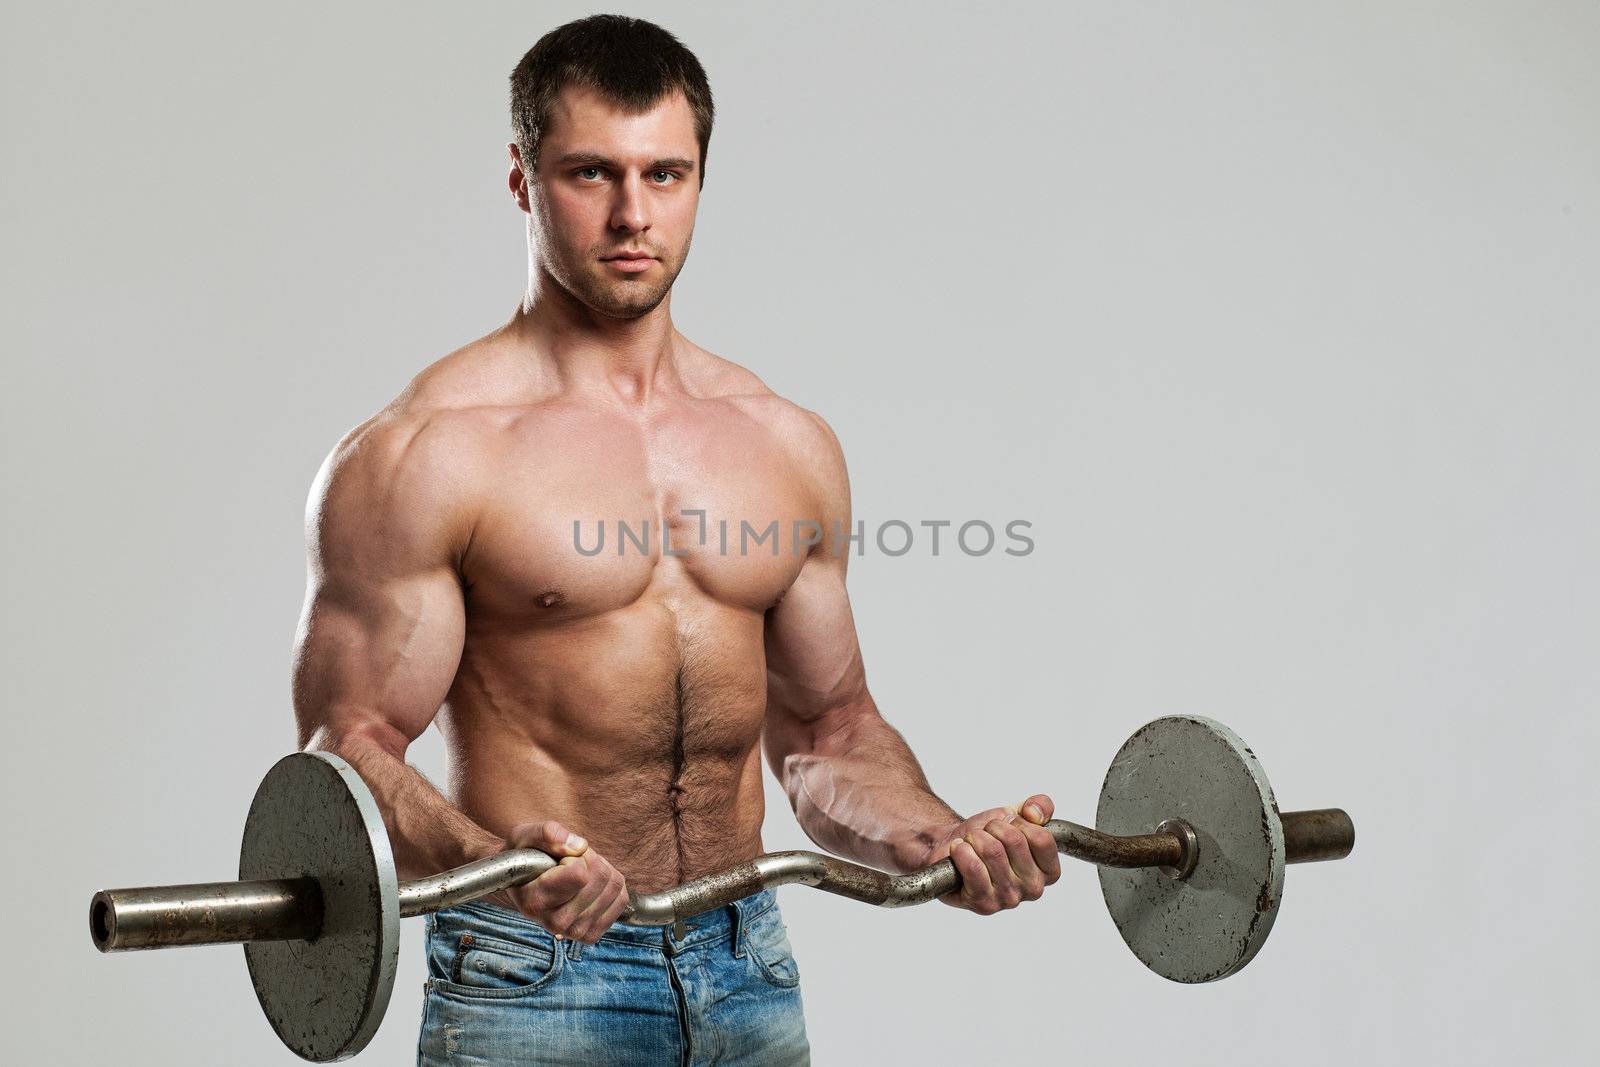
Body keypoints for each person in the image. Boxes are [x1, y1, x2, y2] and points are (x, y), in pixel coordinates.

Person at [293, 14, 1060, 1066]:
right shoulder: (428, 452)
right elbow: (349, 745)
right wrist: (489, 860)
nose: (630, 214)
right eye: (589, 174)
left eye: (665, 173)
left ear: (701, 177)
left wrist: (935, 837)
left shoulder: (784, 444)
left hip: (747, 962)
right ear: (521, 179)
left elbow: (830, 733)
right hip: (535, 976)